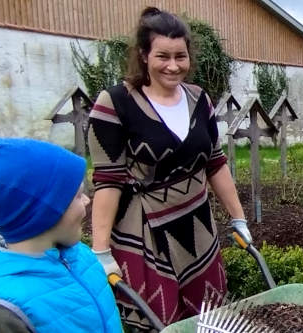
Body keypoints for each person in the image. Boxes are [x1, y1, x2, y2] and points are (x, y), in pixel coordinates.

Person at [87, 7, 251, 329]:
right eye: (163, 56)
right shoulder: (116, 103)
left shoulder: (199, 99)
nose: (173, 66)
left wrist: (238, 218)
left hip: (197, 227)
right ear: (144, 54)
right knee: (158, 321)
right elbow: (108, 180)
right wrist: (101, 250)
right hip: (146, 231)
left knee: (208, 318)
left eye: (181, 56)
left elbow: (215, 163)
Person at [0, 138, 124, 333]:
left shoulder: (80, 254)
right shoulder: (2, 309)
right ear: (43, 213)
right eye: (77, 195)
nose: (86, 200)